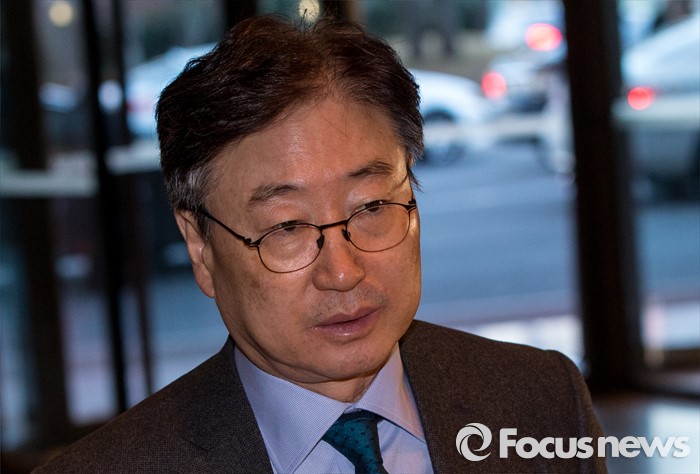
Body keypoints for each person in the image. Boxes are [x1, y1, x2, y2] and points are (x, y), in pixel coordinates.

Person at [37, 14, 606, 473]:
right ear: (201, 249)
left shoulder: (541, 401)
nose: (343, 271)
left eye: (372, 207)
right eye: (287, 227)